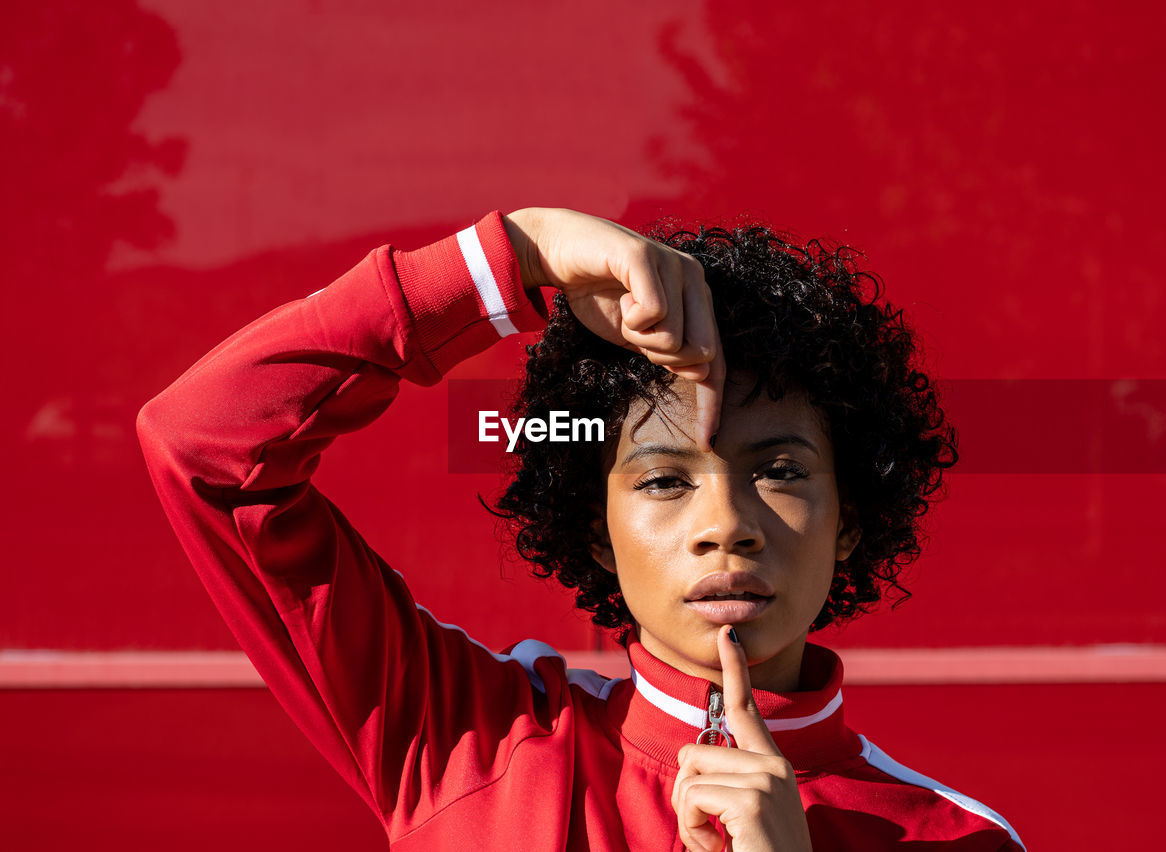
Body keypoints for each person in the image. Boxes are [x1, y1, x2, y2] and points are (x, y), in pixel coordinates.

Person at [138, 207, 1023, 850]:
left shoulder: (959, 840)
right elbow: (206, 445)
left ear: (850, 520)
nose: (725, 526)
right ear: (596, 530)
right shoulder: (472, 740)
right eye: (666, 479)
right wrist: (514, 255)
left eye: (780, 470)